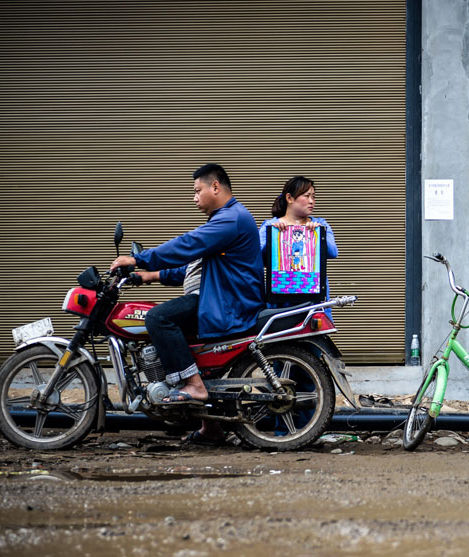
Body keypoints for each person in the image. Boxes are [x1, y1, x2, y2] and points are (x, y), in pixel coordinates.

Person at [110, 163, 263, 446]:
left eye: (197, 190)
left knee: (157, 318)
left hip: (225, 303)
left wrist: (140, 258)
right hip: (214, 299)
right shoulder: (223, 221)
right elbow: (191, 267)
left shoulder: (231, 219)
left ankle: (193, 386)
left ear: (215, 187)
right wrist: (148, 276)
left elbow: (187, 245)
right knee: (188, 349)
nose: (194, 197)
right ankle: (212, 429)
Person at [259, 176, 338, 319]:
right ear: (289, 198)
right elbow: (257, 257)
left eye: (313, 196)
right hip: (280, 304)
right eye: (307, 196)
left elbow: (333, 252)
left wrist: (319, 234)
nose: (311, 201)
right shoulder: (270, 226)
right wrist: (274, 237)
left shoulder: (321, 224)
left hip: (314, 302)